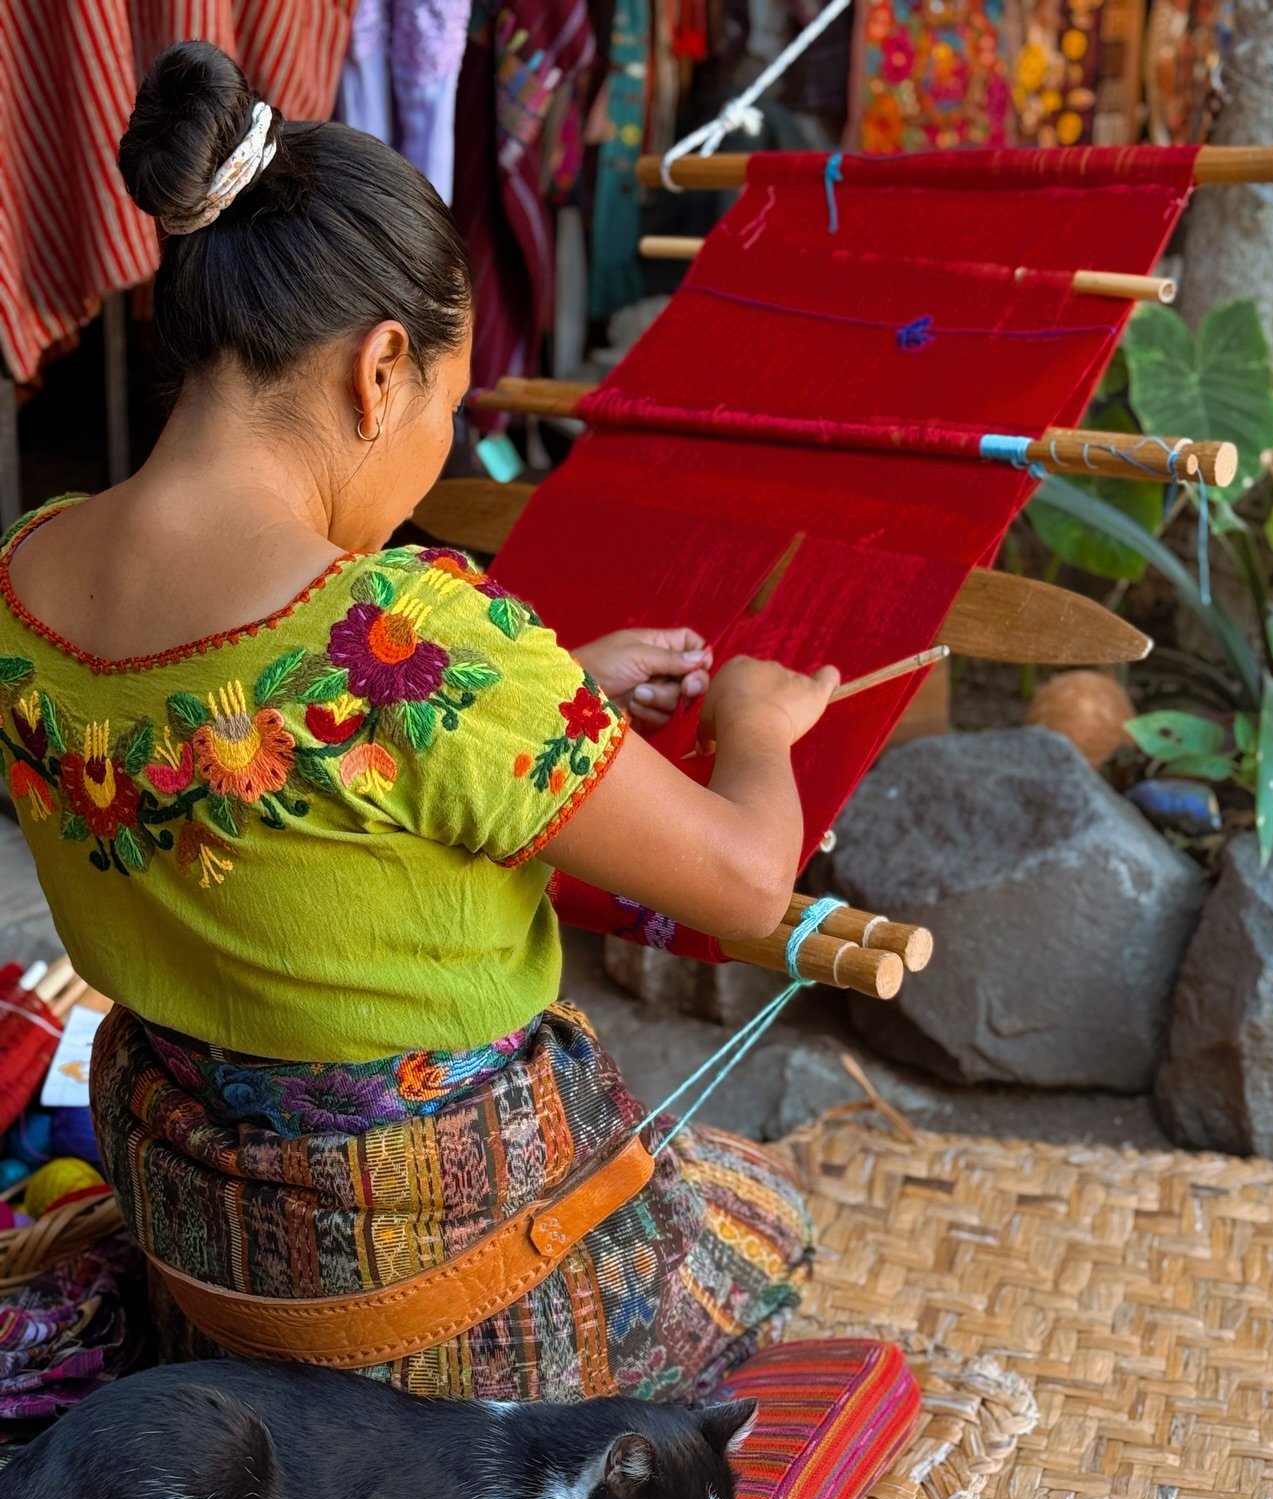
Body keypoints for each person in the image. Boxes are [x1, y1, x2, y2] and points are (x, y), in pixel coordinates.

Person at [0, 41, 835, 1403]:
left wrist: (552, 684)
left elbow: (289, 782)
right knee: (757, 1208)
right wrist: (757, 729)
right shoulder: (412, 641)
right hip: (433, 1292)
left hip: (214, 1251)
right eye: (447, 405)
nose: (436, 442)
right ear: (381, 371)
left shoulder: (21, 580)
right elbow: (750, 884)